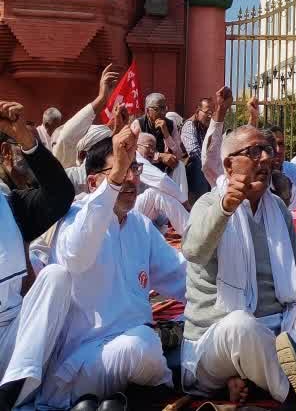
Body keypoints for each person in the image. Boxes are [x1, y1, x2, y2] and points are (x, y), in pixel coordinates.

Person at [182, 123, 296, 409]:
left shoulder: (277, 208)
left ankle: (256, 373)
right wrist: (225, 208)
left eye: (267, 150)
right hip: (216, 338)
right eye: (254, 152)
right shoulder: (208, 204)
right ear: (230, 165)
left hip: (278, 327)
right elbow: (193, 251)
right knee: (241, 326)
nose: (266, 158)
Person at [29, 129, 187, 408]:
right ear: (93, 183)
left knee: (172, 343)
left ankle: (124, 399)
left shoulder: (139, 224)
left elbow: (181, 276)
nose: (130, 180)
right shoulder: (75, 220)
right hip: (80, 364)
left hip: (132, 352)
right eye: (119, 170)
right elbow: (77, 255)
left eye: (134, 169)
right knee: (142, 346)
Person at [0, 102, 75, 411]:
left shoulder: (10, 206)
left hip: (9, 337)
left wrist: (27, 140)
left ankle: (10, 397)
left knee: (56, 278)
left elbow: (59, 195)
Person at [134, 132, 190, 234]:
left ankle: (185, 224)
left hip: (139, 211)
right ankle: (192, 233)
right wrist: (184, 202)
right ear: (137, 146)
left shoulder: (142, 159)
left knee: (179, 166)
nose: (152, 151)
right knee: (155, 194)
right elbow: (161, 180)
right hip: (125, 213)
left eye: (154, 149)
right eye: (149, 147)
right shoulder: (136, 159)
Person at [131, 92, 185, 164]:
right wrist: (159, 156)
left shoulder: (171, 124)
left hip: (166, 166)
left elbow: (178, 155)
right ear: (147, 111)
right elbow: (136, 153)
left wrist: (167, 134)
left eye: (164, 108)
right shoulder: (138, 124)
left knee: (180, 166)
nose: (163, 112)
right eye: (157, 109)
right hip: (145, 166)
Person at [181, 97, 214, 200]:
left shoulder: (208, 127)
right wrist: (209, 165)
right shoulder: (190, 125)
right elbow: (194, 151)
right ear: (198, 111)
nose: (210, 116)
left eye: (212, 113)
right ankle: (202, 201)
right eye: (207, 112)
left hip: (205, 164)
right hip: (190, 166)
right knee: (199, 163)